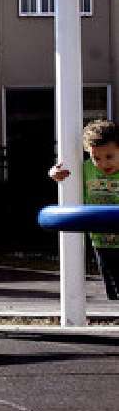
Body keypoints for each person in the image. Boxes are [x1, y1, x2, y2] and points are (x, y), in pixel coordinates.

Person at [49, 120, 119, 300]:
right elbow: (61, 172)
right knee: (112, 285)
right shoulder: (85, 169)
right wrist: (54, 173)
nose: (103, 163)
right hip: (101, 240)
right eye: (96, 158)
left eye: (109, 156)